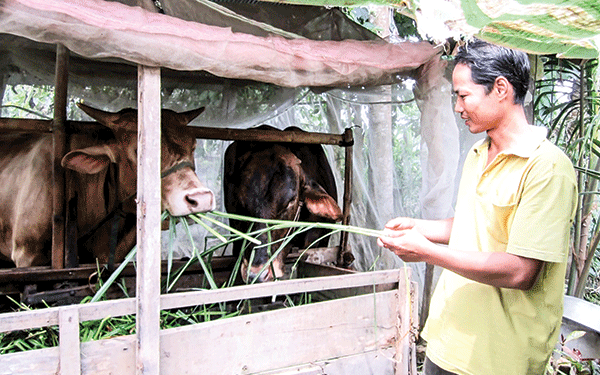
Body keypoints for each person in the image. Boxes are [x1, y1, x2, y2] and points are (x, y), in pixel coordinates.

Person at [378, 39, 578, 375]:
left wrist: (426, 251)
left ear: (500, 89)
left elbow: (520, 271)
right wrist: (417, 227)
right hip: (447, 339)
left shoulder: (547, 168)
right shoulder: (477, 154)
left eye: (463, 95)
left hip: (497, 358)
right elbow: (476, 225)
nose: (457, 106)